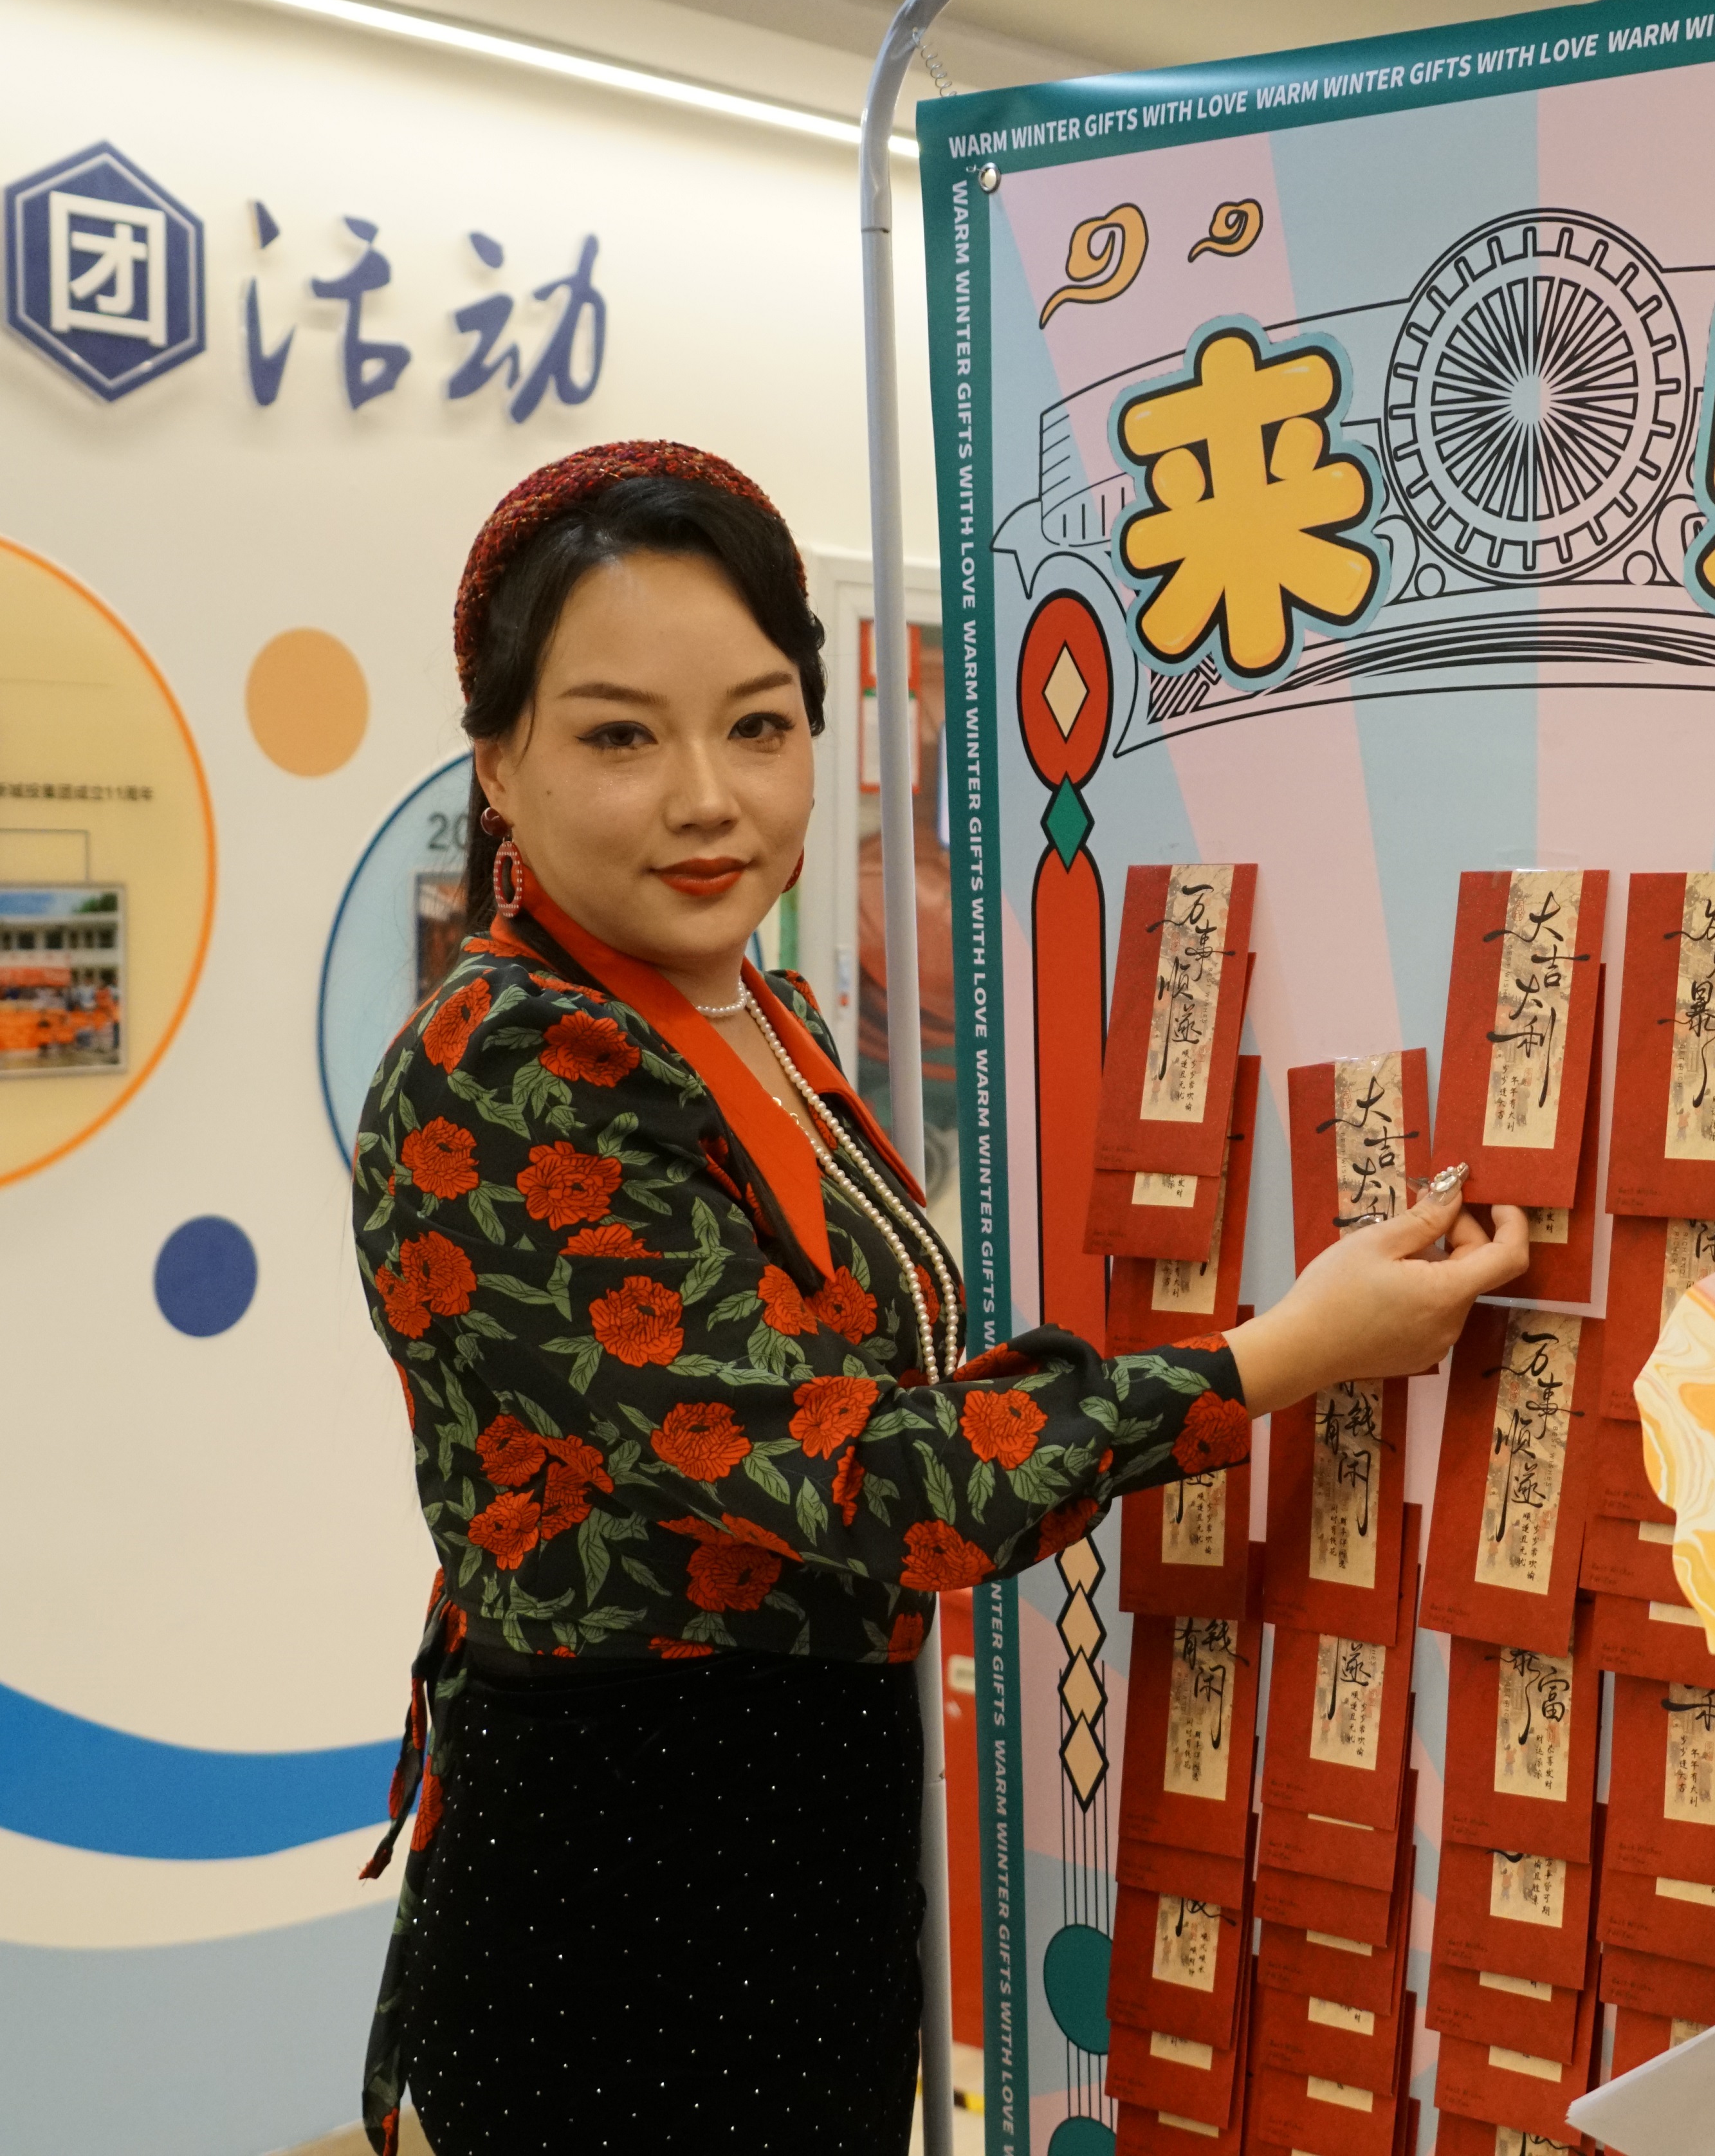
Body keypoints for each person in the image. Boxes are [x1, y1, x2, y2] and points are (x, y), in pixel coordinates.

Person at [346, 441, 1528, 2155]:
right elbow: (867, 1479)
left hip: (799, 1832)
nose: (709, 798)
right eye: (621, 736)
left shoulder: (752, 1007)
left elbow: (866, 1401)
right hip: (627, 1875)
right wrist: (1280, 1354)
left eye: (759, 725)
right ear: (499, 766)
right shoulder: (509, 1069)